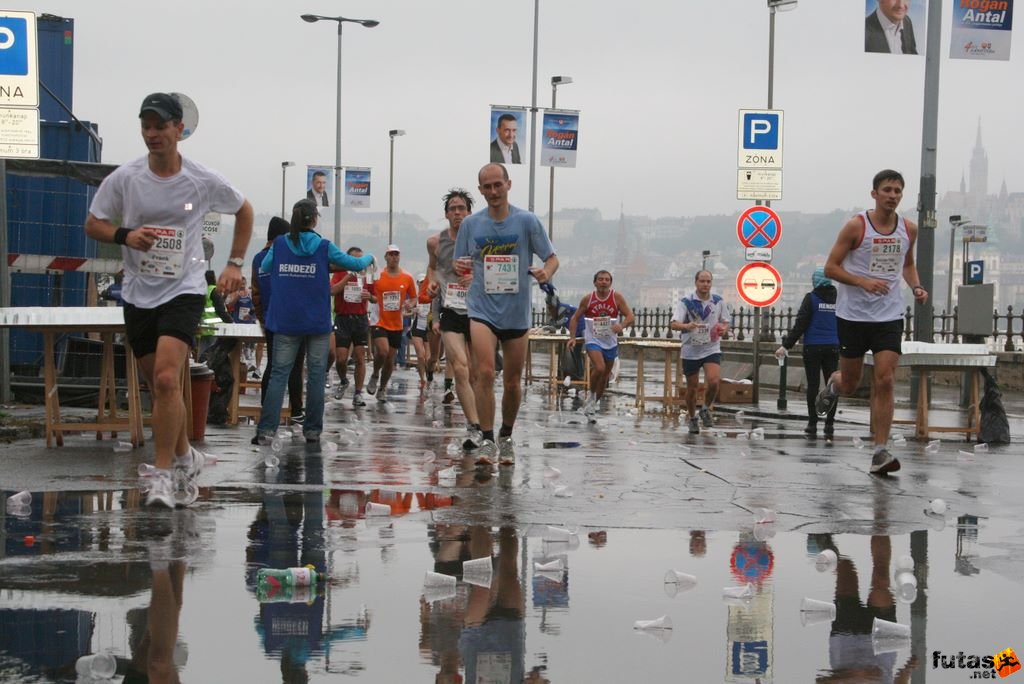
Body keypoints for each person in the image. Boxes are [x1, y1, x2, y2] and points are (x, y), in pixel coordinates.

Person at [85, 92, 254, 509]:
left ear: (179, 129)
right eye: (146, 126)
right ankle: (184, 454)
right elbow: (93, 224)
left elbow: (245, 210)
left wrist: (234, 263)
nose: (152, 134)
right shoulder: (126, 179)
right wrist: (126, 236)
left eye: (160, 126)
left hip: (186, 289)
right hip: (139, 292)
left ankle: (162, 475)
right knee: (159, 385)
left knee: (165, 378)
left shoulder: (201, 178)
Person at [815, 169, 927, 475]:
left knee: (885, 379)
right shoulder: (856, 226)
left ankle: (880, 450)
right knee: (851, 384)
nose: (893, 195)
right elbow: (831, 268)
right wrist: (862, 282)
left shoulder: (909, 229)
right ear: (874, 194)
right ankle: (832, 386)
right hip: (852, 315)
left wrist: (916, 286)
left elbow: (908, 264)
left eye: (898, 191)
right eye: (887, 190)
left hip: (889, 315)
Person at [455, 163, 558, 464]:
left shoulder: (526, 221)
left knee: (513, 382)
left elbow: (551, 258)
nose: (493, 192)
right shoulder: (471, 225)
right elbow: (459, 264)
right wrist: (461, 271)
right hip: (481, 307)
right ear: (480, 190)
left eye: (497, 185)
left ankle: (506, 434)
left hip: (516, 312)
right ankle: (487, 439)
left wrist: (544, 274)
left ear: (508, 185)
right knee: (485, 372)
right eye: (486, 187)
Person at [255, 199, 374, 443]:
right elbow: (355, 263)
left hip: (286, 321)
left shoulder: (279, 244)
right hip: (317, 323)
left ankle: (266, 430)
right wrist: (370, 256)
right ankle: (312, 431)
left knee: (279, 374)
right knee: (317, 376)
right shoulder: (323, 246)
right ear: (315, 218)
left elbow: (265, 268)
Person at [426, 188, 483, 449]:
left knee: (478, 373)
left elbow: (496, 268)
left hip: (479, 311)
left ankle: (484, 423)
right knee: (459, 366)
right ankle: (473, 426)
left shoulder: (481, 239)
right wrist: (432, 284)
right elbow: (433, 268)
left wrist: (477, 277)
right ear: (446, 214)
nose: (457, 213)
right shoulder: (435, 242)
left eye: (462, 208)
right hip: (450, 310)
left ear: (470, 212)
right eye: (453, 209)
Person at [251, 217, 305, 431]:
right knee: (295, 367)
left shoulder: (257, 259)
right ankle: (297, 413)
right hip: (292, 319)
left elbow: (255, 293)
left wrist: (263, 319)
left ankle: (268, 409)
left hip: (271, 320)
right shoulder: (286, 255)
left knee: (273, 366)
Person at [775, 267, 840, 438]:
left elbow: (801, 324)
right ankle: (830, 424)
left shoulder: (811, 298)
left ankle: (812, 424)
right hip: (833, 346)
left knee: (813, 385)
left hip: (813, 346)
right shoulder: (838, 299)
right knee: (832, 386)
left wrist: (786, 345)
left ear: (815, 281)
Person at [567, 270, 635, 421]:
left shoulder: (616, 298)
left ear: (610, 282)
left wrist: (622, 325)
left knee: (605, 377)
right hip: (593, 339)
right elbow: (574, 318)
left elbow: (630, 316)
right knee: (599, 367)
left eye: (606, 279)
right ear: (595, 282)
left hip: (610, 341)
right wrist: (572, 337)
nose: (603, 282)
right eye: (600, 279)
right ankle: (591, 395)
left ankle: (591, 406)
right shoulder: (588, 299)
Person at [670, 270, 730, 435]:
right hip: (691, 348)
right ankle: (692, 417)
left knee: (714, 381)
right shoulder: (686, 302)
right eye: (702, 281)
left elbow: (725, 322)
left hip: (711, 347)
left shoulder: (718, 301)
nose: (705, 284)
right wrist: (687, 326)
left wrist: (723, 329)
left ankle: (705, 408)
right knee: (692, 388)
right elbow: (674, 324)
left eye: (708, 281)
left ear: (711, 283)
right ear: (696, 282)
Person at [366, 244, 417, 402]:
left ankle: (382, 387)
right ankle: (375, 374)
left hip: (396, 323)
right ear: (386, 257)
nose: (394, 257)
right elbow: (371, 294)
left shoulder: (407, 277)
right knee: (382, 351)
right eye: (391, 254)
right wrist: (371, 298)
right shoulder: (378, 276)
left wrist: (410, 304)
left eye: (396, 254)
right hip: (379, 320)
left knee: (390, 360)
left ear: (399, 257)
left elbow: (414, 298)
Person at [329, 246, 376, 407]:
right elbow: (332, 291)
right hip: (343, 318)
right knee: (341, 359)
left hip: (361, 319)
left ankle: (358, 393)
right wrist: (347, 278)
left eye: (360, 260)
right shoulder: (339, 272)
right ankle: (343, 381)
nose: (358, 263)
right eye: (354, 260)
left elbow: (376, 298)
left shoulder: (367, 275)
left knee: (360, 358)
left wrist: (370, 296)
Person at [409, 273, 435, 390]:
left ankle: (429, 374)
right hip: (417, 327)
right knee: (420, 355)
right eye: (420, 282)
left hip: (428, 328)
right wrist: (412, 310)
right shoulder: (416, 296)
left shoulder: (432, 295)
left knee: (429, 357)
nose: (421, 284)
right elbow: (407, 310)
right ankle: (422, 379)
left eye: (424, 282)